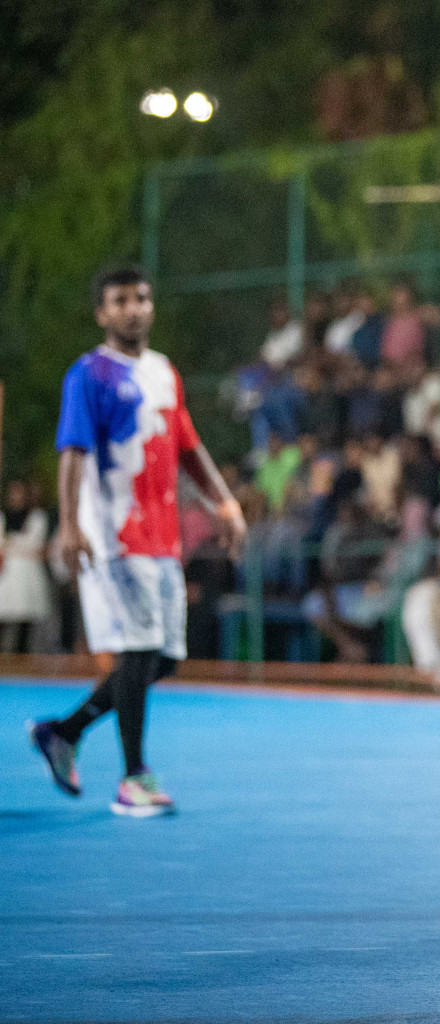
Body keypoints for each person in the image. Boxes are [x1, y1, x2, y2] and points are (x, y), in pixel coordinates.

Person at [27, 265, 246, 817]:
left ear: (152, 307)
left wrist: (224, 502)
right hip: (113, 535)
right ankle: (133, 779)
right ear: (102, 313)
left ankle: (64, 732)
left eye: (141, 298)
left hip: (162, 535)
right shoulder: (89, 374)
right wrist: (72, 526)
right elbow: (72, 452)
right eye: (119, 300)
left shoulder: (164, 373)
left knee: (163, 660)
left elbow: (188, 448)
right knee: (140, 650)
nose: (132, 308)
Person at [0, 481, 55, 653]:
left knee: (26, 620)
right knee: (6, 615)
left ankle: (22, 656)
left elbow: (36, 545)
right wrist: (20, 544)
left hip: (29, 574)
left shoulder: (37, 516)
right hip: (9, 573)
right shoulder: (3, 516)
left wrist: (12, 544)